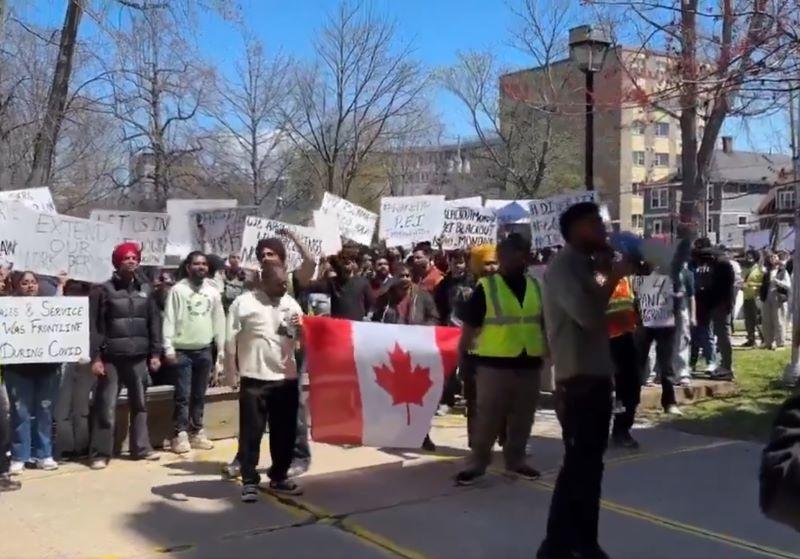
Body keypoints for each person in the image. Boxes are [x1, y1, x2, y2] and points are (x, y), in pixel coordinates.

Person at [538, 202, 634, 559]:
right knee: (580, 465)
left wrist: (608, 272)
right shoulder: (563, 266)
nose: (604, 230)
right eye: (597, 223)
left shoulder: (583, 266)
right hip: (578, 381)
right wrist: (615, 275)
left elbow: (593, 294)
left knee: (588, 467)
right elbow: (589, 315)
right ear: (577, 228)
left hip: (593, 376)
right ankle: (559, 546)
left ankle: (578, 542)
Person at [455, 233, 546, 486]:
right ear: (502, 257)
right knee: (489, 417)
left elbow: (543, 323)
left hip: (529, 362)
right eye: (508, 254)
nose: (514, 259)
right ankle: (477, 464)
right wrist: (463, 357)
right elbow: (470, 327)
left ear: (527, 257)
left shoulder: (536, 287)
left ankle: (516, 460)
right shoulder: (487, 288)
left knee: (523, 417)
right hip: (494, 364)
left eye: (521, 253)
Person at [224, 234, 316, 479]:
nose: (265, 258)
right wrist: (229, 369)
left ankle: (292, 462)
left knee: (287, 424)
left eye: (270, 254)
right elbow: (233, 335)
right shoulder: (247, 298)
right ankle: (246, 467)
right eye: (261, 255)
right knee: (251, 427)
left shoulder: (293, 290)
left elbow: (310, 260)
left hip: (285, 370)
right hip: (255, 373)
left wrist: (301, 328)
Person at [227, 263, 305, 501]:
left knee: (285, 432)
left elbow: (297, 340)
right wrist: (230, 370)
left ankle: (279, 476)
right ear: (264, 281)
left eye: (286, 284)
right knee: (251, 433)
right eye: (280, 284)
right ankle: (249, 480)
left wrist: (300, 330)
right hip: (254, 379)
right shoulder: (244, 303)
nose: (284, 288)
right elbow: (229, 338)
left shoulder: (291, 304)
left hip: (285, 378)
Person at [89, 244, 161, 469]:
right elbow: (95, 327)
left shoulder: (147, 289)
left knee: (140, 405)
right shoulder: (103, 290)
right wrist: (96, 357)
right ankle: (100, 453)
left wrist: (156, 353)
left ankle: (141, 448)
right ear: (117, 262)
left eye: (134, 257)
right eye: (126, 258)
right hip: (111, 359)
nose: (131, 261)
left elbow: (154, 323)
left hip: (138, 357)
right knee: (106, 407)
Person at [163, 251, 226, 454]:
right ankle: (179, 434)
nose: (201, 267)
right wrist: (168, 347)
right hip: (182, 351)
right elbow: (169, 319)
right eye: (197, 264)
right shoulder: (177, 290)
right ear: (188, 267)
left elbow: (219, 321)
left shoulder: (213, 292)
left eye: (204, 264)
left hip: (204, 350)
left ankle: (196, 431)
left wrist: (221, 351)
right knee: (183, 395)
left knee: (199, 394)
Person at [6, 271, 68, 474]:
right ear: (17, 286)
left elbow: (63, 313)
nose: (30, 286)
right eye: (25, 282)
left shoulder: (48, 307)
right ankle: (19, 456)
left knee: (45, 413)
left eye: (33, 282)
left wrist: (61, 285)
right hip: (18, 370)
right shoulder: (8, 307)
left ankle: (44, 454)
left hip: (47, 369)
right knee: (20, 414)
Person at [461, 244, 499, 448]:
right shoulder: (467, 293)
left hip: (502, 354)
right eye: (487, 263)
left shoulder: (507, 289)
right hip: (475, 355)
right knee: (476, 401)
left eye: (495, 263)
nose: (492, 268)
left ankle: (506, 438)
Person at [54, 280, 96, 461]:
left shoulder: (93, 307)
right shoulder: (57, 307)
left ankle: (81, 446)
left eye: (81, 288)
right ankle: (66, 447)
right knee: (62, 410)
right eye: (72, 289)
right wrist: (60, 287)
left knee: (82, 408)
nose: (76, 292)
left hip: (85, 362)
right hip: (62, 362)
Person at [634, 267, 683, 415]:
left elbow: (678, 298)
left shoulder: (671, 274)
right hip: (644, 325)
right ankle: (632, 402)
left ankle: (669, 403)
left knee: (666, 366)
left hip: (665, 324)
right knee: (638, 364)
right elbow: (634, 298)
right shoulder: (639, 274)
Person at [690, 241, 736, 380]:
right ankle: (724, 365)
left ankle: (727, 367)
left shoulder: (722, 265)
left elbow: (719, 289)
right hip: (719, 304)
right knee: (720, 335)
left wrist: (705, 295)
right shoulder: (719, 263)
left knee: (722, 335)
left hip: (721, 305)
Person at [606, 275, 641, 448]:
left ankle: (622, 429)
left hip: (627, 338)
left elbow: (632, 306)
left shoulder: (626, 280)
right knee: (606, 391)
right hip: (606, 341)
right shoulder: (598, 278)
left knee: (630, 388)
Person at [372, 264, 439, 326]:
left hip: (415, 334)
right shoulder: (385, 297)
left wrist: (422, 329)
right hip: (392, 334)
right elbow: (375, 318)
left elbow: (434, 318)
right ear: (394, 277)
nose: (405, 278)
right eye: (401, 276)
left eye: (407, 276)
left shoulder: (423, 295)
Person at [762, 252, 791, 350]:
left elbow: (788, 285)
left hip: (778, 297)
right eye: (771, 257)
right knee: (767, 321)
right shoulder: (767, 271)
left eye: (774, 257)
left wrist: (777, 282)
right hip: (767, 297)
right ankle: (768, 342)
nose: (772, 258)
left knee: (779, 320)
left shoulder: (782, 271)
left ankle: (780, 343)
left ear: (778, 259)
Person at [742, 250, 764, 347]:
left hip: (756, 297)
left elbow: (764, 284)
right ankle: (751, 339)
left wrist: (752, 284)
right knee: (748, 320)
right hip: (746, 296)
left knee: (757, 320)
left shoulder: (760, 269)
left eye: (751, 256)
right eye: (747, 256)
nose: (748, 258)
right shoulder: (745, 269)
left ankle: (763, 339)